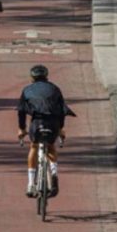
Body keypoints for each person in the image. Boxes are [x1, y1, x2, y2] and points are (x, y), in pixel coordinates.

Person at [17, 65, 75, 198]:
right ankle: (54, 174)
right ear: (47, 76)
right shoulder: (55, 89)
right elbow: (62, 111)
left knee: (33, 147)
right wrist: (60, 129)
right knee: (50, 147)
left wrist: (22, 129)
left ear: (32, 78)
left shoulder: (26, 90)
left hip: (36, 124)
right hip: (53, 124)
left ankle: (31, 184)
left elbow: (21, 111)